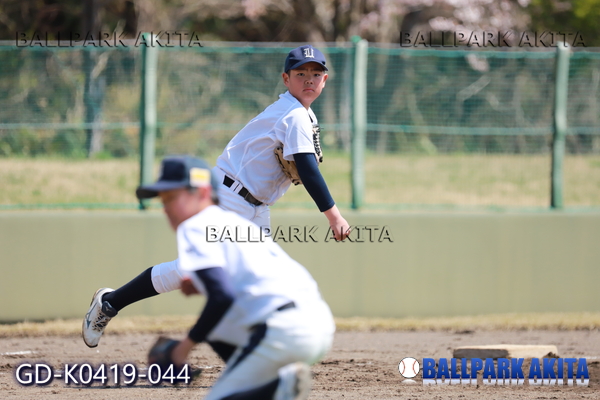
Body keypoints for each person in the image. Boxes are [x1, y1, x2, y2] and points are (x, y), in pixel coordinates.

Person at [82, 44, 349, 349]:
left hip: (254, 204)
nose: (309, 79)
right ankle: (110, 303)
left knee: (256, 274)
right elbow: (308, 171)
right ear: (286, 79)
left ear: (325, 80)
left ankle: (256, 343)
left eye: (316, 73)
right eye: (301, 73)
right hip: (230, 198)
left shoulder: (303, 114)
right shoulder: (294, 115)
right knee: (195, 269)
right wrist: (334, 216)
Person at [115, 155, 336, 400]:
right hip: (317, 324)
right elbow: (246, 281)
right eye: (163, 200)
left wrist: (182, 349)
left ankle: (277, 385)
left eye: (172, 197)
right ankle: (269, 383)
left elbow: (221, 297)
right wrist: (201, 284)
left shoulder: (195, 225)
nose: (165, 208)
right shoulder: (236, 223)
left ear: (202, 193)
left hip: (284, 331)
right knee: (218, 328)